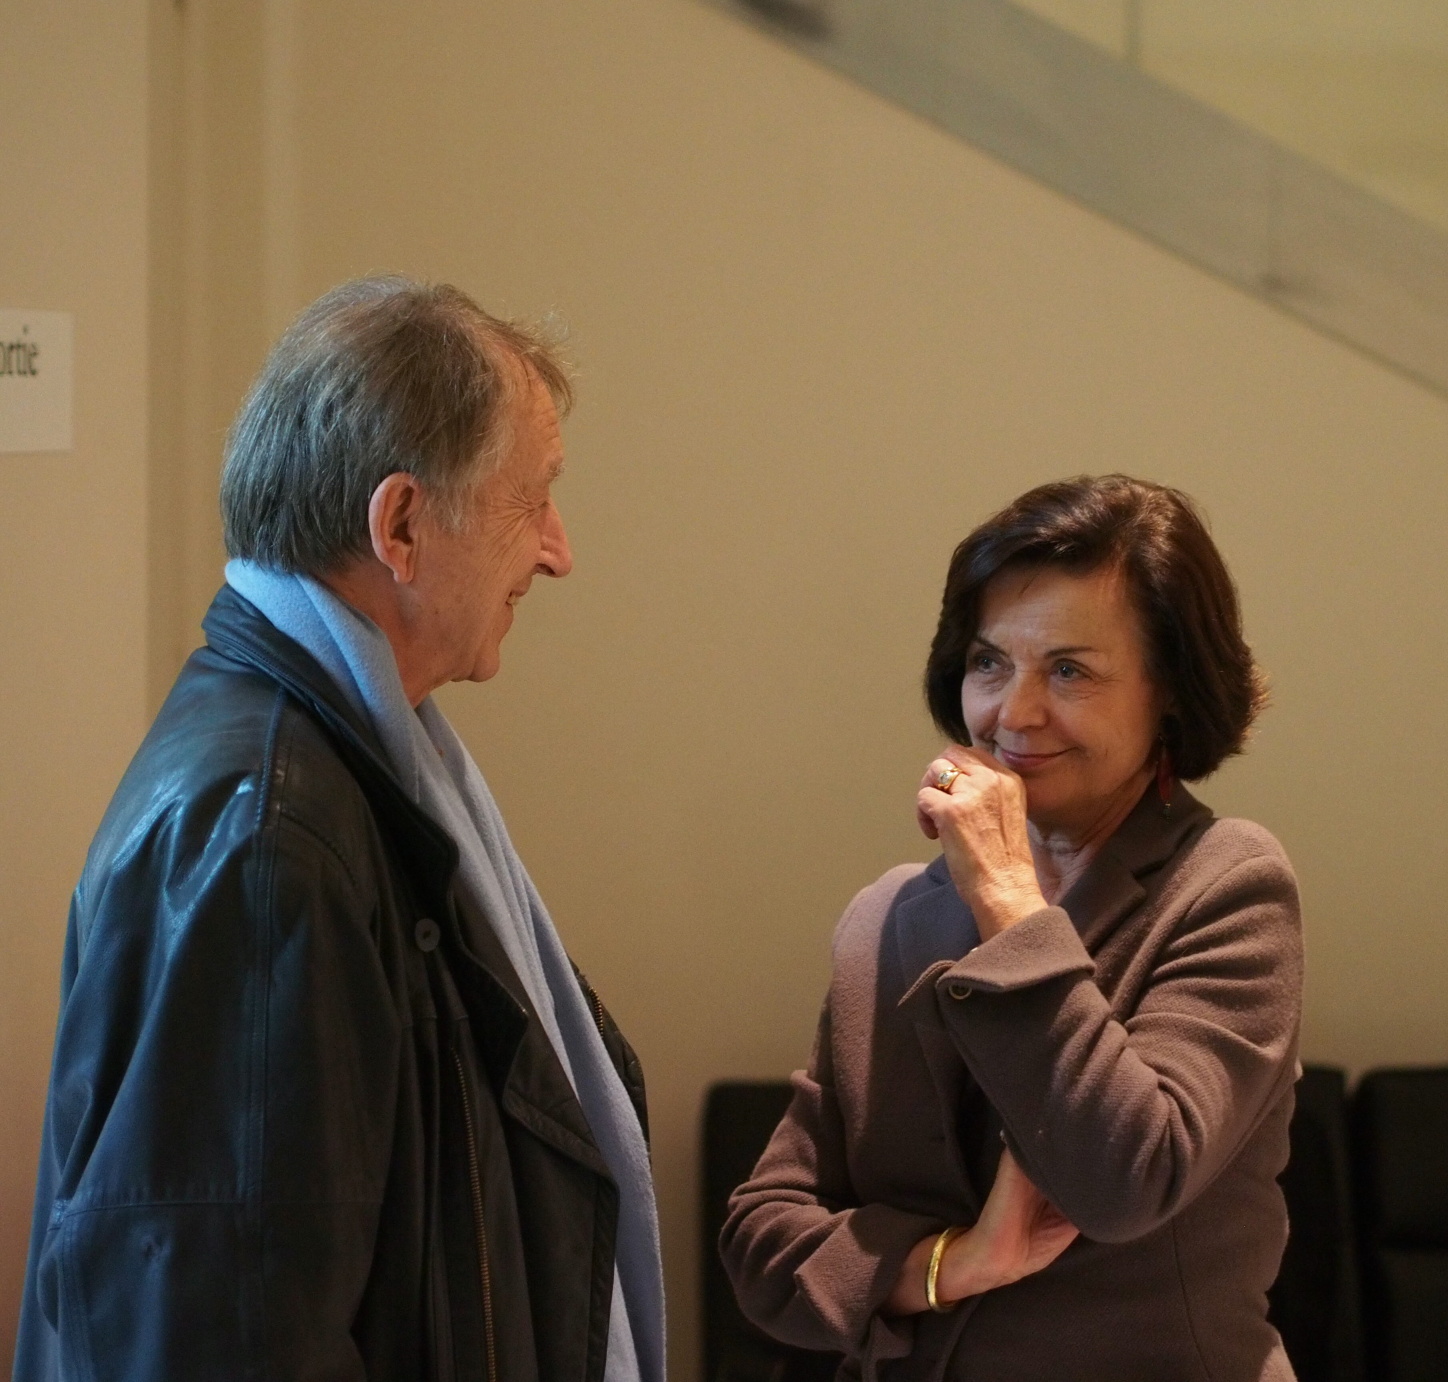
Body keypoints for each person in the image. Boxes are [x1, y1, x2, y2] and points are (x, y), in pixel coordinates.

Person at [14, 277, 665, 1382]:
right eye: (533, 500)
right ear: (401, 525)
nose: (557, 550)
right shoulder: (266, 837)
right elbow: (218, 1339)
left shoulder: (331, 769)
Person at [722, 475, 1304, 1381]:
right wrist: (950, 1265)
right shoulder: (889, 915)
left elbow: (1127, 1178)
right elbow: (762, 1243)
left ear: (1170, 691)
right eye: (988, 663)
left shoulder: (1227, 882)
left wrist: (1007, 900)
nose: (1012, 714)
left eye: (1069, 671)